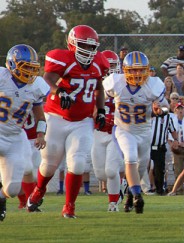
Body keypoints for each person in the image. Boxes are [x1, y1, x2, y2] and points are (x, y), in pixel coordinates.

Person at [27, 25, 110, 218]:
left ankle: (69, 206)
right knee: (49, 164)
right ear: (73, 44)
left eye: (91, 47)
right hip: (56, 117)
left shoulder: (99, 63)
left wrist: (101, 110)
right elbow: (47, 78)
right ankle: (39, 190)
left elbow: (98, 88)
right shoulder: (63, 59)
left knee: (78, 163)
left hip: (82, 121)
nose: (88, 51)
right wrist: (59, 90)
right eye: (83, 46)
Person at [104, 51, 169, 213]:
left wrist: (160, 111)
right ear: (125, 70)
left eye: (140, 70)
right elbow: (99, 96)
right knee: (130, 157)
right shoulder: (116, 82)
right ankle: (137, 196)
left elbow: (167, 106)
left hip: (145, 132)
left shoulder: (152, 85)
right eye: (133, 70)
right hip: (124, 129)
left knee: (141, 167)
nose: (137, 74)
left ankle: (129, 194)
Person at [0, 44, 48, 221]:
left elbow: (40, 115)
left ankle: (1, 198)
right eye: (25, 67)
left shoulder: (36, 86)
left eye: (32, 68)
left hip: (15, 137)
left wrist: (41, 134)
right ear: (11, 65)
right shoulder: (2, 77)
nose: (29, 72)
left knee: (12, 188)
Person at [91, 49, 124, 212]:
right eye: (108, 66)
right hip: (98, 132)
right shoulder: (93, 84)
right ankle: (122, 183)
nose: (110, 69)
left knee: (111, 171)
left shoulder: (123, 85)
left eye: (113, 66)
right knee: (100, 175)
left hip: (115, 134)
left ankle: (113, 203)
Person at [151, 103, 178, 195]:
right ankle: (140, 188)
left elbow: (173, 130)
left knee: (159, 169)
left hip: (159, 146)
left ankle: (159, 189)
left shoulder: (167, 117)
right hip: (147, 146)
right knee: (143, 167)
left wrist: (176, 140)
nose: (157, 107)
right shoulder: (148, 116)